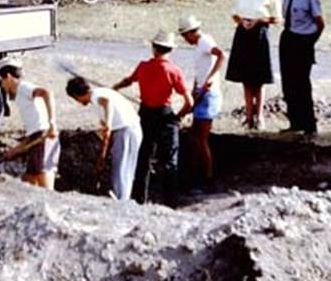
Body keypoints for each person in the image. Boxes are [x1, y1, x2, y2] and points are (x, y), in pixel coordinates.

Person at [113, 30, 193, 207]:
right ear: (170, 50)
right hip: (165, 116)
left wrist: (114, 88)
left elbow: (128, 81)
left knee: (143, 158)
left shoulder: (143, 67)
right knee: (169, 161)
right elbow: (190, 102)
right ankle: (170, 203)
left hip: (145, 115)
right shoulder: (174, 71)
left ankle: (139, 200)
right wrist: (178, 117)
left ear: (154, 48)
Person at [225, 0, 282, 130]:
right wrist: (241, 21)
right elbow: (234, 12)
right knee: (245, 77)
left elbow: (278, 17)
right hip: (243, 31)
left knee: (259, 77)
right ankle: (248, 116)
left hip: (259, 32)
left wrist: (259, 20)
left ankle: (260, 116)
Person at [66, 76, 143, 200]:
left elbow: (107, 102)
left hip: (126, 130)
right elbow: (106, 131)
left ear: (76, 95)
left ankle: (121, 200)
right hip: (125, 131)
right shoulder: (99, 95)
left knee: (122, 170)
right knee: (122, 168)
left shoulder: (97, 96)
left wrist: (108, 123)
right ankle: (121, 197)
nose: (79, 103)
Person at [177, 14, 226, 188]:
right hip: (201, 92)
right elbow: (200, 74)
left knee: (201, 138)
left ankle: (207, 178)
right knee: (194, 137)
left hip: (209, 94)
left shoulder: (204, 41)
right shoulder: (200, 44)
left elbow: (222, 55)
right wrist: (193, 94)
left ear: (190, 33)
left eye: (184, 36)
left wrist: (211, 78)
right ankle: (195, 174)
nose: (185, 40)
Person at [276, 0, 324, 136]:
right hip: (288, 38)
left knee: (302, 83)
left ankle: (309, 124)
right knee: (288, 83)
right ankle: (295, 122)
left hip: (303, 40)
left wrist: (310, 42)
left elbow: (320, 23)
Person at [0, 60, 59, 189]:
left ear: (8, 77)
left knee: (46, 187)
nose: (2, 86)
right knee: (29, 181)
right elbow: (33, 131)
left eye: (2, 81)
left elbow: (47, 93)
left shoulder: (24, 87)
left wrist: (52, 124)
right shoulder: (20, 95)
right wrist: (16, 149)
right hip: (36, 139)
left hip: (45, 138)